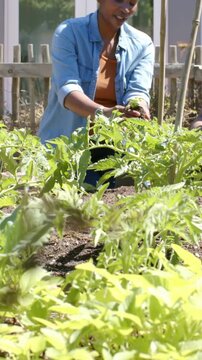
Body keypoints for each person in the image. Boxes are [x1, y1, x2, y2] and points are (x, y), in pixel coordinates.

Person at [38, 0, 154, 187]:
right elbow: (67, 90)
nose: (125, 9)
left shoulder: (142, 44)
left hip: (113, 151)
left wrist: (138, 107)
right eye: (118, 0)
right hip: (67, 147)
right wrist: (104, 114)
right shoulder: (69, 33)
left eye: (132, 3)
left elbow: (138, 91)